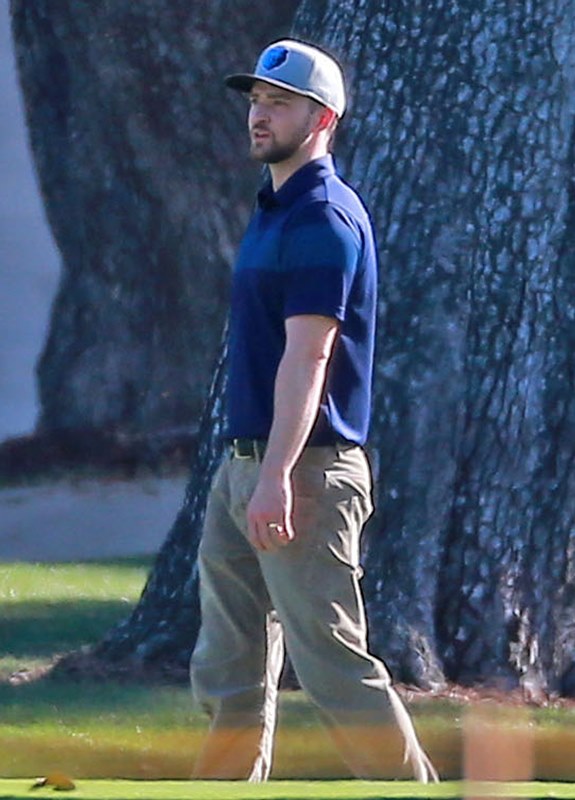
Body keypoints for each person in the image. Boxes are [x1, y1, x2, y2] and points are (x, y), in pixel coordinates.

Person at [189, 38, 438, 783]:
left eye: (280, 103)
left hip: (305, 472)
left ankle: (408, 790)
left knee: (330, 662)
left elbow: (310, 357)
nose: (259, 115)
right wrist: (248, 475)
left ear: (322, 119)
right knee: (228, 667)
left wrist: (275, 476)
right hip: (246, 466)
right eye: (256, 100)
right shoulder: (274, 209)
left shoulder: (323, 217)